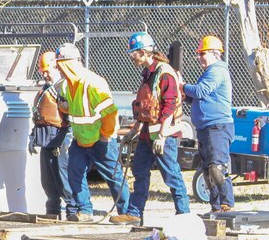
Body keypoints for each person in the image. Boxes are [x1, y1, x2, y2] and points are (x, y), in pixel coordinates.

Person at [110, 32, 190, 225]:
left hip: (164, 135)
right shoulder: (148, 73)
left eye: (133, 53)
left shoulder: (165, 73)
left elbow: (169, 105)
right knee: (139, 171)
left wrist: (162, 135)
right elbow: (145, 105)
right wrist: (134, 129)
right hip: (147, 133)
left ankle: (184, 215)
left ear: (143, 52)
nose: (131, 57)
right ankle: (134, 214)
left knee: (171, 174)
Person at [53, 42, 131, 222]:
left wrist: (105, 136)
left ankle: (127, 212)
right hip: (81, 139)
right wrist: (65, 107)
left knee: (113, 176)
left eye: (61, 65)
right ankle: (85, 210)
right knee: (75, 172)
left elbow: (110, 112)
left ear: (70, 63)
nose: (59, 70)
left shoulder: (93, 82)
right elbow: (77, 107)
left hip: (100, 140)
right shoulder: (67, 85)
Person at [184, 35, 235, 212]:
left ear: (215, 54)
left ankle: (227, 205)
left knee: (217, 167)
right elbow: (199, 98)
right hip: (206, 128)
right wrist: (185, 95)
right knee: (207, 170)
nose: (199, 57)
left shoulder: (217, 70)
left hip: (217, 127)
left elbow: (200, 91)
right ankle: (216, 208)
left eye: (202, 53)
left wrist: (182, 86)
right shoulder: (208, 72)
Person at [31, 51, 75, 220]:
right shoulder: (46, 88)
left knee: (63, 176)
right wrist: (32, 137)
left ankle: (72, 211)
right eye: (43, 71)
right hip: (45, 137)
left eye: (48, 70)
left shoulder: (62, 87)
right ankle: (52, 211)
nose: (45, 74)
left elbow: (70, 112)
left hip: (60, 135)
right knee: (48, 180)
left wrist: (66, 139)